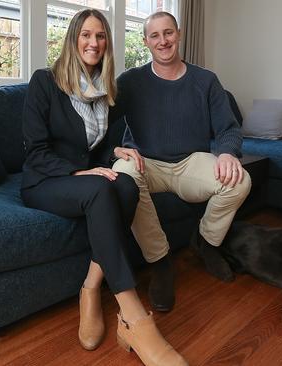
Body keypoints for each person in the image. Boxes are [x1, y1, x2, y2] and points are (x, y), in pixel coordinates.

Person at [21, 9, 187, 366]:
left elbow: (100, 147)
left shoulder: (109, 90)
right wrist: (79, 172)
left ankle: (90, 288)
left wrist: (116, 151)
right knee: (102, 189)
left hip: (86, 178)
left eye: (100, 36)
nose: (93, 43)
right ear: (73, 39)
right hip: (46, 180)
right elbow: (35, 152)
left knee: (127, 187)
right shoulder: (44, 82)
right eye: (86, 35)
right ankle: (135, 319)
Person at [111, 11, 252, 312]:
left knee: (240, 181)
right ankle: (161, 262)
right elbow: (101, 122)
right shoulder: (131, 81)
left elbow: (228, 128)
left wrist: (227, 152)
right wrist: (113, 150)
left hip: (191, 163)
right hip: (145, 164)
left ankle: (206, 243)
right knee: (122, 176)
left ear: (179, 34)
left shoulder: (206, 80)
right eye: (155, 35)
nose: (163, 41)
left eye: (168, 33)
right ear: (146, 41)